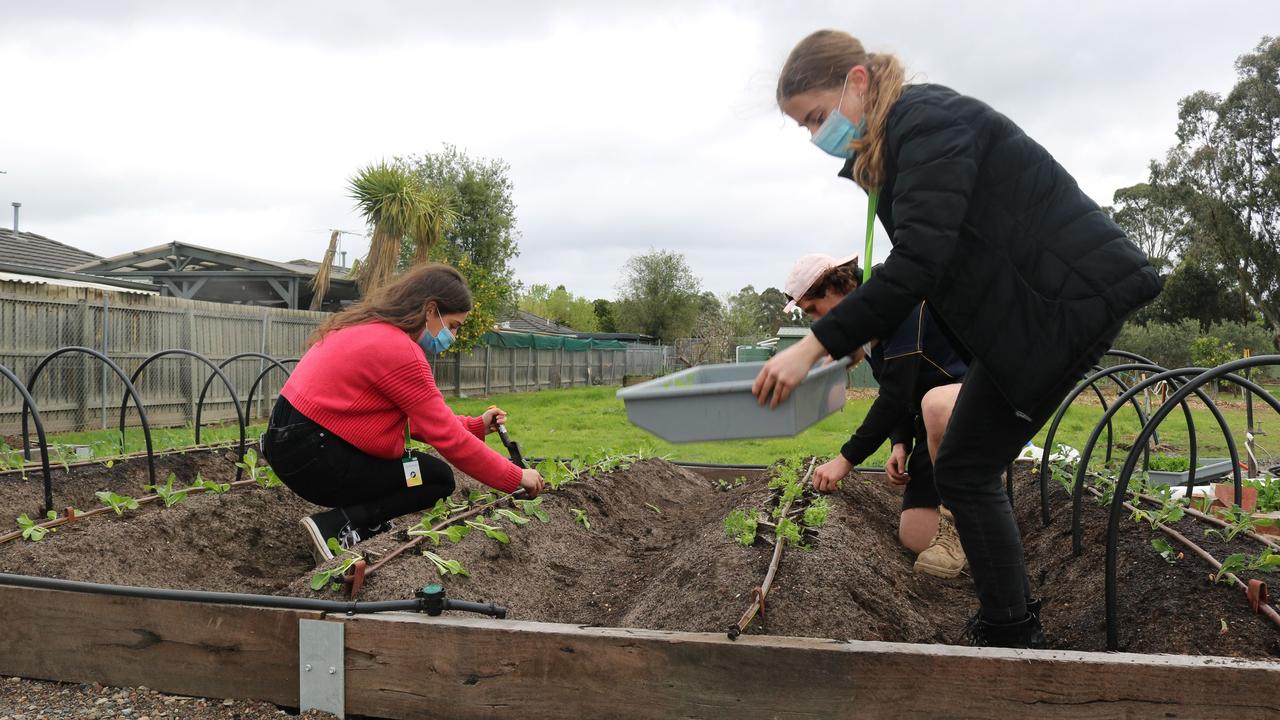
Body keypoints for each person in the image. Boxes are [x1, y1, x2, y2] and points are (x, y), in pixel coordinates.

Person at [754, 30, 1161, 647]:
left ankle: (1009, 628)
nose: (818, 136)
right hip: (1035, 312)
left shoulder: (929, 124)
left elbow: (920, 263)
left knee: (968, 466)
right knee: (967, 467)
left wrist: (814, 345)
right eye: (806, 127)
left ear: (856, 81)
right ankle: (1009, 620)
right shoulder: (900, 142)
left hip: (1066, 305)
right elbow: (944, 270)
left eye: (817, 116)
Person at [262, 263, 544, 563]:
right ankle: (336, 527)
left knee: (415, 468)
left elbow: (413, 421)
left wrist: (475, 426)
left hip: (290, 444)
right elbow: (447, 437)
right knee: (436, 479)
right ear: (430, 310)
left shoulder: (365, 329)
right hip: (313, 457)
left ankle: (363, 523)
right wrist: (516, 476)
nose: (453, 336)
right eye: (453, 326)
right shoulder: (400, 350)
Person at [784, 252, 967, 578]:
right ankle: (973, 516)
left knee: (937, 405)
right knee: (914, 538)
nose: (816, 320)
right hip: (931, 426)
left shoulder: (901, 298)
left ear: (836, 288)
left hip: (974, 405)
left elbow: (895, 394)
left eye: (813, 309)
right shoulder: (864, 323)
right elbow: (894, 383)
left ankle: (974, 499)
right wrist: (900, 443)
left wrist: (846, 459)